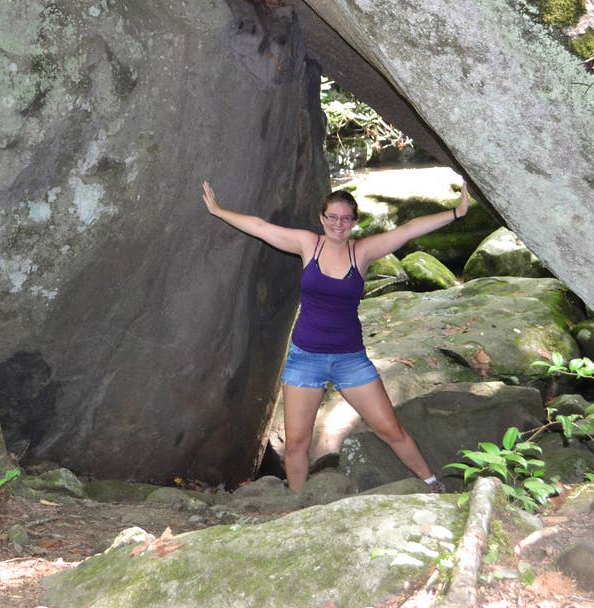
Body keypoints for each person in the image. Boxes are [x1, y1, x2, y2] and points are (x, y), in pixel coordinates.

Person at [202, 180, 472, 493]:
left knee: (390, 429)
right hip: (305, 358)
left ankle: (433, 483)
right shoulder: (308, 244)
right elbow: (261, 227)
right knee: (296, 444)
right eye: (332, 217)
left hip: (350, 359)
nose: (338, 224)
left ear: (354, 222)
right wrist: (219, 211)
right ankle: (297, 507)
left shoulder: (363, 251)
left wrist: (456, 212)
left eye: (345, 218)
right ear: (322, 218)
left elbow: (408, 229)